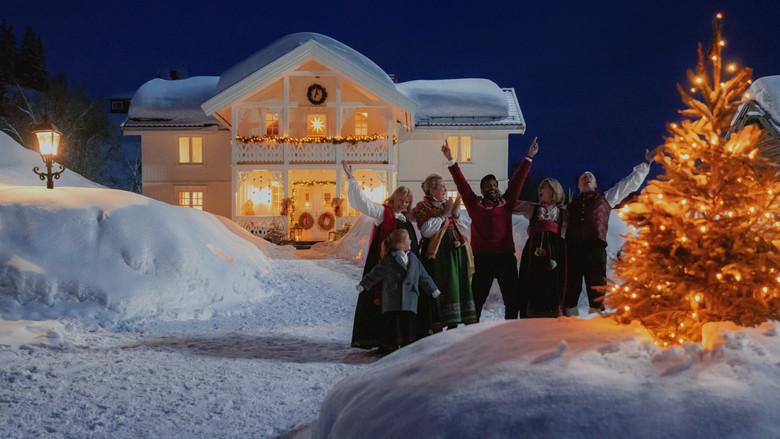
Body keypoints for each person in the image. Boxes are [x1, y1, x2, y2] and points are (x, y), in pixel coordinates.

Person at [443, 137, 539, 320]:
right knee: (477, 299)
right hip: (483, 259)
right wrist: (451, 160)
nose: (492, 188)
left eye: (495, 185)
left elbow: (519, 180)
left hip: (505, 258)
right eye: (488, 186)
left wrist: (529, 156)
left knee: (513, 300)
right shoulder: (474, 204)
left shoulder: (507, 203)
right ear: (482, 190)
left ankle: (510, 330)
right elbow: (461, 184)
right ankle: (472, 331)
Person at [563, 148, 656, 316]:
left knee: (597, 288)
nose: (587, 177)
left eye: (590, 176)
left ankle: (595, 321)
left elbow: (628, 185)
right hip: (573, 250)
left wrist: (646, 163)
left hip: (595, 249)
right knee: (571, 288)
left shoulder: (605, 199)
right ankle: (569, 322)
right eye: (583, 177)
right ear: (578, 185)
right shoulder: (570, 206)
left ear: (596, 184)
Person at [343, 161, 422, 349]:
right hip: (385, 266)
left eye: (406, 201)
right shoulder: (382, 213)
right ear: (394, 199)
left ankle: (401, 338)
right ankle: (381, 339)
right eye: (401, 200)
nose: (403, 203)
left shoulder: (406, 219)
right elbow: (363, 203)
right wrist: (351, 178)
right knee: (384, 303)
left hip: (403, 269)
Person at [357, 229, 441, 352]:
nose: (411, 241)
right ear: (401, 243)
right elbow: (376, 273)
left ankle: (408, 343)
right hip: (393, 298)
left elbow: (424, 275)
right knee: (394, 322)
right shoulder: (389, 259)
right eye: (408, 239)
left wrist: (432, 289)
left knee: (408, 322)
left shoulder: (413, 258)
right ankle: (392, 344)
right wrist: (364, 285)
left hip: (410, 298)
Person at [412, 174, 476, 329]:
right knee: (443, 284)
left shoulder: (444, 205)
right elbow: (427, 231)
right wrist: (445, 213)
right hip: (439, 255)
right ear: (433, 190)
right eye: (442, 186)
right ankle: (440, 321)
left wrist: (454, 213)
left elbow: (463, 226)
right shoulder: (423, 206)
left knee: (457, 283)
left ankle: (457, 318)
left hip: (455, 252)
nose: (445, 189)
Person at [514, 178, 567, 317]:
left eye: (543, 187)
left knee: (554, 281)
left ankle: (554, 313)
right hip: (534, 251)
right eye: (539, 187)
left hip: (556, 252)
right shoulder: (532, 208)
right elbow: (511, 204)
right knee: (532, 279)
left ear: (553, 191)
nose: (539, 190)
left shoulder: (563, 213)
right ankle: (531, 313)